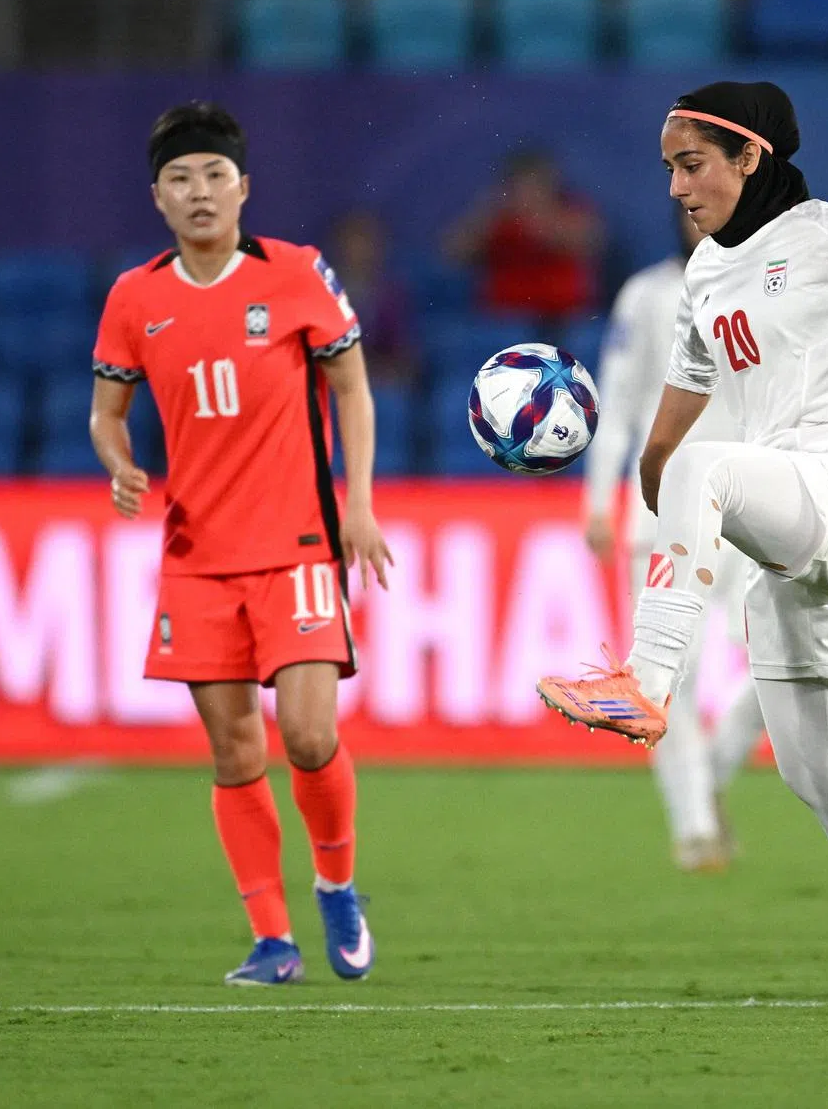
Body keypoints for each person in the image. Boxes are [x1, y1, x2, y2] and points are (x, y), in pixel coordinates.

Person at [539, 81, 828, 1022]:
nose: (674, 185)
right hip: (786, 528)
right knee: (812, 769)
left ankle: (645, 683)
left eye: (692, 162)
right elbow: (675, 423)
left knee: (712, 469)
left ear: (751, 157)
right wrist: (646, 478)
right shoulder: (705, 274)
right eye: (667, 166)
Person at [89, 101, 393, 986]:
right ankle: (272, 939)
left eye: (215, 176)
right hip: (197, 556)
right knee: (234, 752)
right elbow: (107, 411)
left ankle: (336, 882)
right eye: (181, 179)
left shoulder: (295, 274)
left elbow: (354, 389)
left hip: (297, 542)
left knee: (305, 735)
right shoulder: (134, 297)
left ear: (243, 188)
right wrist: (119, 461)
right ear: (158, 197)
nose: (200, 192)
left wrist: (358, 505)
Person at [583, 200, 765, 873]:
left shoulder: (767, 285)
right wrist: (600, 500)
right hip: (661, 511)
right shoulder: (648, 295)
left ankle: (708, 782)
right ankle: (694, 829)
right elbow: (619, 403)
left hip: (751, 504)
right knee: (667, 685)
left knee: (784, 669)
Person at [442, 147, 603, 326]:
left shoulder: (571, 211)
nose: (529, 192)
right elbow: (453, 254)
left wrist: (539, 220)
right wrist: (483, 218)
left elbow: (589, 245)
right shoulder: (498, 217)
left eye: (536, 184)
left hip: (562, 321)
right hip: (503, 319)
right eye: (522, 184)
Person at [327, 209, 419, 387]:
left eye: (365, 241)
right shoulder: (320, 293)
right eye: (352, 241)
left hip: (375, 381)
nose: (358, 249)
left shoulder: (390, 297)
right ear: (338, 245)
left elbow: (405, 356)